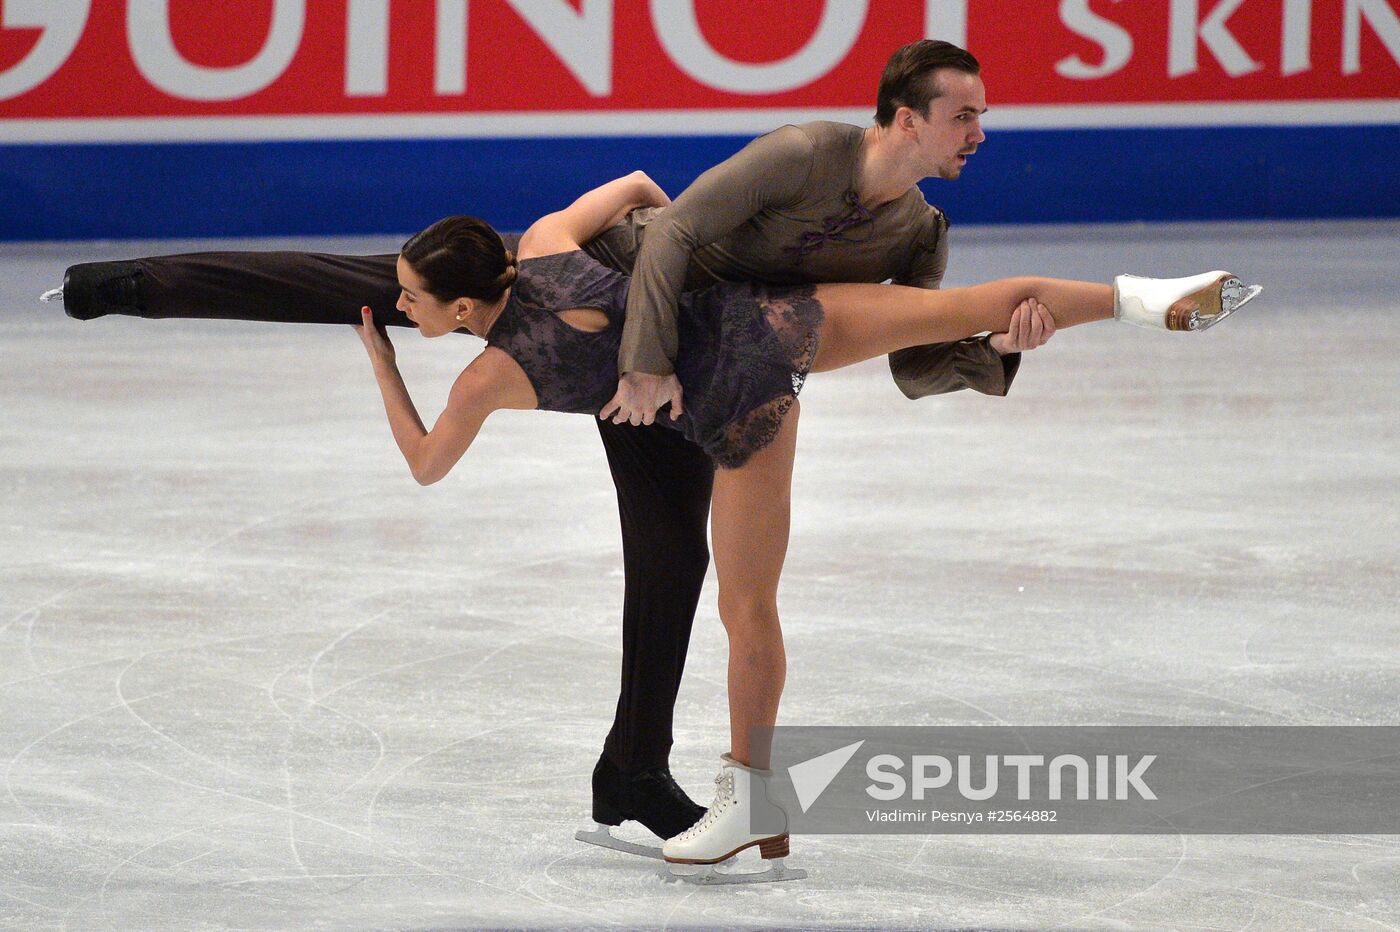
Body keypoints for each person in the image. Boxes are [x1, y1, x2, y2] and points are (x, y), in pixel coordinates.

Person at [51, 40, 1055, 851]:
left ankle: (631, 769)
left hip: (677, 381)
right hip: (631, 336)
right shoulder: (787, 158)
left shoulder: (915, 232)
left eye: (978, 114)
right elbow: (653, 213)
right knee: (334, 284)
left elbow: (912, 354)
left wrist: (989, 348)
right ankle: (124, 283)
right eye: (962, 112)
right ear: (905, 114)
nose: (978, 131)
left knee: (673, 570)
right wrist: (658, 276)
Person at [353, 172, 1258, 876]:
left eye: (411, 300)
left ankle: (751, 800)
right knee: (965, 309)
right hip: (766, 320)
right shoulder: (548, 243)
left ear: (464, 312)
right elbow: (640, 193)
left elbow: (427, 465)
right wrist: (681, 288)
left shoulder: (490, 374)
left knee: (749, 607)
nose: (402, 306)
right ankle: (1152, 301)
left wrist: (383, 363)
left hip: (735, 403)